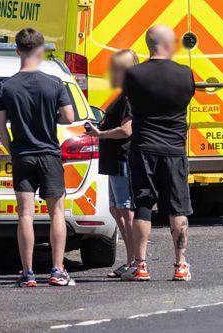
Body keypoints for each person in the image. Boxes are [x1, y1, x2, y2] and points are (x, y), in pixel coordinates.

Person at [0, 28, 76, 287]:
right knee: (57, 213)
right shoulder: (55, 84)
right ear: (40, 51)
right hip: (49, 154)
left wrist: (12, 149)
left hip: (23, 156)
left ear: (18, 51)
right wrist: (52, 116)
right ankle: (57, 269)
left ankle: (28, 273)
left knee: (25, 215)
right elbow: (69, 117)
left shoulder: (6, 87)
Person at [120, 25, 195, 282]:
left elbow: (130, 103)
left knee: (142, 205)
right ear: (168, 44)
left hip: (143, 149)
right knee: (177, 208)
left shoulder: (133, 75)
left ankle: (140, 266)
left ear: (149, 44)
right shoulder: (185, 75)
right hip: (174, 150)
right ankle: (180, 265)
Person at [87, 49, 139, 279]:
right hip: (114, 161)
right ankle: (132, 261)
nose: (119, 71)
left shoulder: (130, 96)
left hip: (123, 160)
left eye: (124, 67)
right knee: (116, 210)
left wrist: (101, 133)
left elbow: (127, 130)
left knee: (126, 212)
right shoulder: (123, 94)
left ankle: (136, 262)